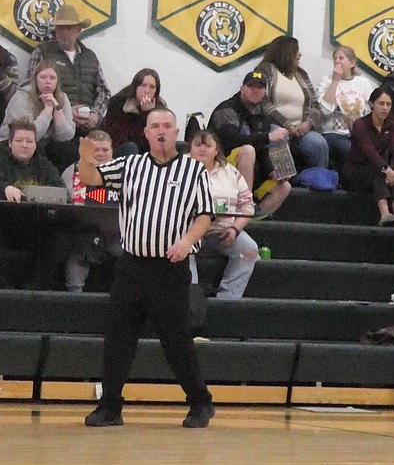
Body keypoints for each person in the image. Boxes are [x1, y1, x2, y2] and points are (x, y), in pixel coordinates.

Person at [79, 108, 216, 429]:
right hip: (131, 267)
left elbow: (205, 215)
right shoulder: (131, 164)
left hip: (170, 269)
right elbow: (91, 180)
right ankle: (110, 406)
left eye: (167, 126)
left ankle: (200, 401)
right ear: (146, 132)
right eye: (155, 126)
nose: (161, 131)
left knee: (176, 340)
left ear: (176, 130)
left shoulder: (193, 170)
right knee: (117, 337)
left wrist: (186, 242)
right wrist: (85, 158)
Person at [0, 119, 71, 289]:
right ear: (11, 142)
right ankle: (1, 291)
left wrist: (54, 198)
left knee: (62, 238)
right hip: (1, 221)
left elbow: (61, 191)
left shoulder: (44, 164)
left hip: (36, 222)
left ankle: (35, 290)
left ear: (35, 144)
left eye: (29, 141)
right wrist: (3, 188)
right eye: (19, 141)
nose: (24, 145)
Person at [25, 5, 111, 169]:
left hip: (89, 126)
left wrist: (95, 113)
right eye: (60, 28)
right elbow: (33, 88)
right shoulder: (42, 51)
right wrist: (65, 111)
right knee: (65, 150)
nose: (63, 32)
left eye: (68, 28)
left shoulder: (90, 56)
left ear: (78, 30)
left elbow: (104, 91)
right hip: (56, 127)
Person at [187, 128, 259, 300]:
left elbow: (247, 205)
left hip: (222, 229)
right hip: (187, 231)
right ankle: (191, 298)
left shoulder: (231, 173)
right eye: (198, 145)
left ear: (216, 150)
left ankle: (227, 298)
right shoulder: (178, 169)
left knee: (249, 249)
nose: (202, 149)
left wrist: (235, 228)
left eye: (207, 145)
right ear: (190, 148)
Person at [208, 71, 292, 216]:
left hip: (250, 174)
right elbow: (230, 141)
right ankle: (244, 206)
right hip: (219, 167)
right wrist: (267, 137)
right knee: (248, 150)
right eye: (251, 86)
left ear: (264, 92)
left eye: (259, 87)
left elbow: (263, 151)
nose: (255, 90)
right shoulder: (227, 109)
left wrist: (273, 172)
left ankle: (250, 219)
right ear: (242, 88)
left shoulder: (262, 115)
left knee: (284, 187)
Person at [254, 35, 328, 171]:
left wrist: (309, 123)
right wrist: (286, 125)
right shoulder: (265, 70)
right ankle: (283, 182)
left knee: (318, 143)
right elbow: (262, 102)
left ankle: (319, 183)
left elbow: (315, 105)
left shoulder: (302, 74)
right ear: (285, 53)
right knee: (279, 136)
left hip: (302, 131)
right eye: (296, 51)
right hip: (274, 126)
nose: (299, 55)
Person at [61, 129, 121, 293]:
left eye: (105, 150)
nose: (101, 154)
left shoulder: (123, 171)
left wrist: (94, 195)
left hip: (117, 233)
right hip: (83, 229)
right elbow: (75, 199)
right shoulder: (73, 170)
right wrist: (108, 195)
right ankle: (75, 302)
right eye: (96, 150)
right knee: (78, 251)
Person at [344, 87, 394, 226]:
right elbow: (370, 152)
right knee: (381, 173)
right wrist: (387, 170)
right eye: (381, 103)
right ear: (371, 104)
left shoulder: (393, 126)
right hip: (356, 170)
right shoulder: (360, 124)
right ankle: (384, 214)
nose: (385, 108)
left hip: (379, 167)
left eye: (388, 104)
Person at [316, 44, 372, 170]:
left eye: (341, 58)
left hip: (358, 133)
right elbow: (325, 110)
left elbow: (370, 111)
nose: (337, 61)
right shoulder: (326, 81)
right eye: (335, 58)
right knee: (348, 148)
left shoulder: (363, 83)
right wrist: (335, 80)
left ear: (352, 63)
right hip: (333, 133)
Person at [0, 61, 74, 152]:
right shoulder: (22, 97)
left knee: (68, 149)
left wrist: (57, 109)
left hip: (41, 145)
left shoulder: (62, 98)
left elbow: (65, 136)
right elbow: (27, 135)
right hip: (10, 145)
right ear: (35, 80)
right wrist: (48, 110)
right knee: (38, 147)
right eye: (43, 77)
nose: (48, 81)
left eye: (52, 78)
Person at [102, 68, 166, 156]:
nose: (147, 91)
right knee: (131, 147)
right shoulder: (119, 104)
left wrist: (149, 115)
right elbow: (118, 139)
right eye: (143, 85)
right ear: (136, 87)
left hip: (144, 154)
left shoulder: (159, 109)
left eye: (152, 87)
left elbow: (156, 142)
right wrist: (143, 116)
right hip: (118, 150)